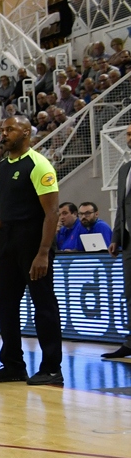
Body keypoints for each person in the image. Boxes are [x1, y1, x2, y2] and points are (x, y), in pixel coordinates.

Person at [0, 115, 62, 386]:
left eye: (9, 129)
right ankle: (13, 365)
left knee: (44, 304)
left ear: (26, 132)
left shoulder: (39, 164)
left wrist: (43, 252)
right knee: (4, 304)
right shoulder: (0, 167)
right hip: (7, 241)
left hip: (33, 239)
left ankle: (51, 368)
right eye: (1, 129)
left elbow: (52, 213)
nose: (3, 134)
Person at [106, 126, 131, 360]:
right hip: (128, 241)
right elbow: (121, 208)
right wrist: (115, 237)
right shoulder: (124, 169)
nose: (129, 139)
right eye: (128, 135)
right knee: (130, 292)